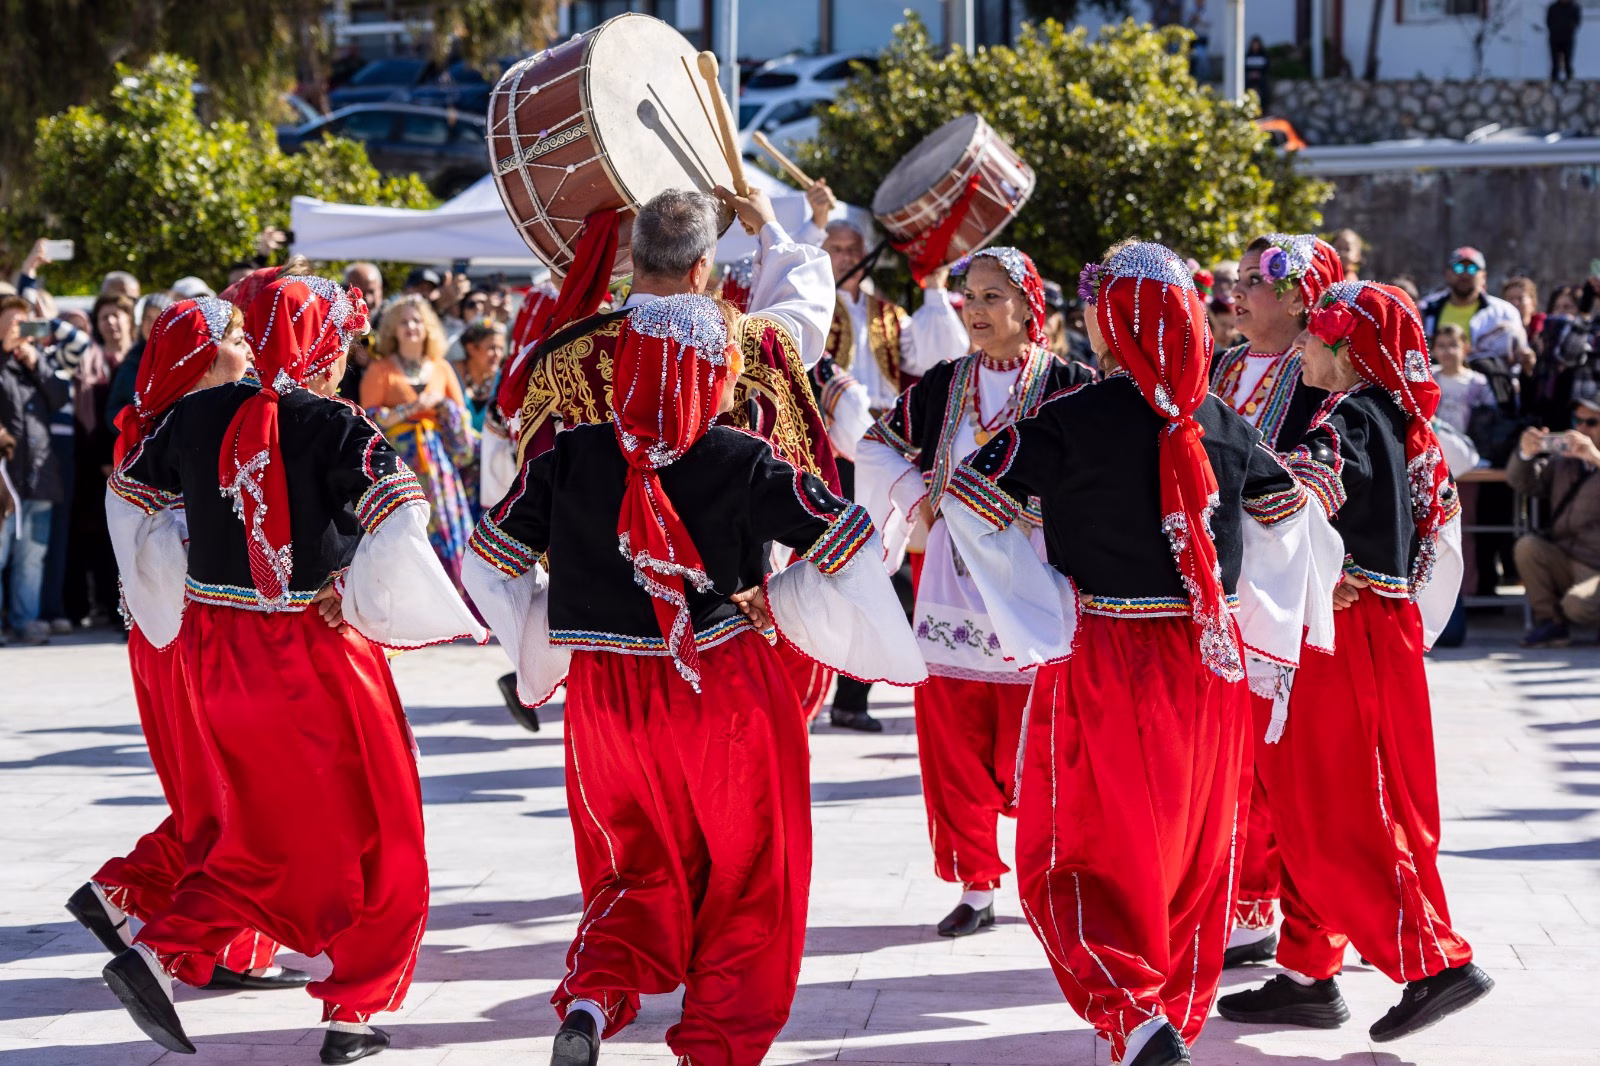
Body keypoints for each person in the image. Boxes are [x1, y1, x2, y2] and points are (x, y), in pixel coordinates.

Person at [463, 292, 924, 1066]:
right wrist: (781, 601)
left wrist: (549, 634)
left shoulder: (568, 455)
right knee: (753, 870)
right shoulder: (744, 458)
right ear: (711, 373)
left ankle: (591, 997)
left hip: (608, 702)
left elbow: (486, 559)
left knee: (633, 861)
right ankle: (715, 1042)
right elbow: (851, 538)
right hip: (724, 689)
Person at [939, 240, 1339, 1066]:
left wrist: (1039, 599)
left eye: (1098, 304)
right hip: (1210, 667)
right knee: (1191, 850)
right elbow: (1290, 516)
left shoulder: (1070, 418)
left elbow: (970, 497)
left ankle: (1130, 1013)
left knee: (1078, 847)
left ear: (1115, 321)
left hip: (1105, 656)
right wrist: (1244, 612)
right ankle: (1167, 1010)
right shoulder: (1223, 423)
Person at [100, 275, 483, 1062]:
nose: (343, 359)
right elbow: (407, 517)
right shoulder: (337, 426)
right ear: (318, 346)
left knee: (260, 835)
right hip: (314, 657)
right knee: (385, 834)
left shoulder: (198, 413)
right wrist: (359, 592)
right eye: (337, 342)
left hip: (216, 660)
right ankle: (352, 1016)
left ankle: (160, 949)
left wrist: (183, 581)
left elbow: (129, 495)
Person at [1219, 280, 1493, 1044]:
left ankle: (1433, 962)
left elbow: (1305, 490)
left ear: (1348, 351)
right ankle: (1309, 970)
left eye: (1316, 337)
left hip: (1347, 638)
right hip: (1372, 627)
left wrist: (1220, 459)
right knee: (1314, 799)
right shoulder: (1396, 418)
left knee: (1333, 809)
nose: (1300, 344)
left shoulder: (1350, 418)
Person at [69, 297, 307, 992]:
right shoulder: (186, 433)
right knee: (236, 797)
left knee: (220, 794)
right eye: (235, 337)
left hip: (164, 634)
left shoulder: (154, 426)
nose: (251, 346)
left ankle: (131, 895)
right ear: (199, 362)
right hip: (191, 636)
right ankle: (212, 942)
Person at [857, 247, 1095, 935]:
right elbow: (875, 444)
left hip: (1034, 585)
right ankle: (977, 887)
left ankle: (1053, 879)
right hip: (952, 591)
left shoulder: (1069, 386)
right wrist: (916, 497)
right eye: (969, 296)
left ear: (1027, 306)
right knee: (952, 740)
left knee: (1039, 740)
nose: (977, 309)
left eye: (993, 296)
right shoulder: (944, 385)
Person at [1210, 232, 1345, 964]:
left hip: (1282, 583)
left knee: (1269, 758)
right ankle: (1227, 897)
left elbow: (1330, 469)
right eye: (1235, 279)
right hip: (1216, 583)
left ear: (1297, 295)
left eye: (1252, 282)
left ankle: (1260, 911)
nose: (1237, 292)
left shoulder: (1322, 374)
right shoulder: (1219, 365)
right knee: (1223, 754)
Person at [798, 186, 969, 733]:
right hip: (827, 455)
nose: (845, 258)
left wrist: (937, 287)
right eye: (835, 248)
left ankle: (854, 695)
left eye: (852, 249)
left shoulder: (890, 314)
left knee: (879, 567)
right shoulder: (811, 310)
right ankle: (811, 685)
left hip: (883, 453)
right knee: (825, 567)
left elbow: (945, 351)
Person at [361, 294, 477, 585]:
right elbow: (370, 419)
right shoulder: (380, 369)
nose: (411, 326)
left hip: (438, 466)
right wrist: (415, 406)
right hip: (399, 465)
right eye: (403, 322)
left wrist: (442, 407)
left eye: (416, 320)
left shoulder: (441, 367)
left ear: (427, 327)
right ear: (392, 329)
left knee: (446, 525)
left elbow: (462, 418)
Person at [0, 296, 77, 644]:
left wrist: (36, 363)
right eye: (12, 321)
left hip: (40, 476)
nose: (19, 329)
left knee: (32, 557)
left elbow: (61, 398)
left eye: (24, 322)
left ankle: (25, 620)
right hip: (5, 479)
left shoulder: (38, 360)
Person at [68, 294, 137, 627]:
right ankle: (109, 606)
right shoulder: (91, 360)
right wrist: (103, 459)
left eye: (117, 315)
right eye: (104, 317)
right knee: (101, 538)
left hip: (138, 464)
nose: (111, 323)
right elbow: (91, 417)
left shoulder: (142, 356)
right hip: (102, 465)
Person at [1509, 400, 1600, 646]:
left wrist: (1595, 457)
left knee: (1577, 605)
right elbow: (1522, 482)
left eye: (1591, 422)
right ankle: (1551, 624)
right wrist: (1525, 453)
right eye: (1577, 422)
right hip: (1566, 557)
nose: (1582, 429)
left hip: (1596, 567)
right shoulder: (1564, 462)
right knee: (1527, 546)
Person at [1417, 247, 1526, 416]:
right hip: (1436, 397)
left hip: (1488, 400)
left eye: (1473, 268)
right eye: (1458, 268)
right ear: (1447, 274)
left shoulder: (1504, 313)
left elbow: (1517, 360)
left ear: (1483, 276)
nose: (1465, 274)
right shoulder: (1427, 310)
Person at [1433, 323, 1496, 435]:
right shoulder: (1429, 378)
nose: (1447, 351)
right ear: (1433, 350)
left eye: (1453, 345)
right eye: (1441, 345)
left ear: (1466, 348)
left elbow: (1490, 415)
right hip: (1433, 444)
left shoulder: (1478, 382)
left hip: (1466, 446)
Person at [1548, 0, 1581, 82]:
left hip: (1568, 38)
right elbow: (1548, 21)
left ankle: (1570, 81)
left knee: (1568, 63)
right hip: (1555, 38)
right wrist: (1554, 30)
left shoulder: (1574, 7)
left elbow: (1577, 21)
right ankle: (1554, 82)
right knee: (1555, 63)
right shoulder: (1553, 7)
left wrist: (1570, 29)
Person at [1244, 36, 1271, 112]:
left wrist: (1259, 74)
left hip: (1261, 78)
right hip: (1250, 78)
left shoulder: (1264, 55)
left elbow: (1267, 68)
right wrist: (1250, 74)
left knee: (1264, 90)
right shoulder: (1248, 55)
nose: (1255, 47)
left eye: (1257, 45)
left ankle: (1263, 108)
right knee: (1245, 87)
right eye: (1254, 45)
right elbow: (1245, 68)